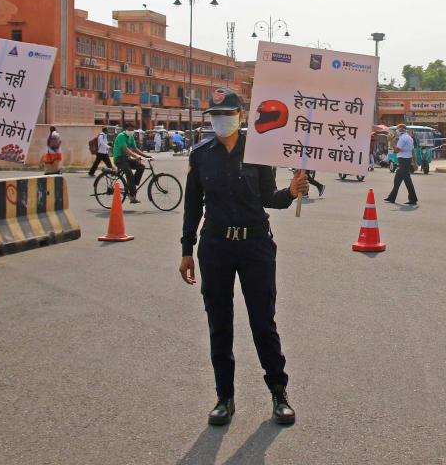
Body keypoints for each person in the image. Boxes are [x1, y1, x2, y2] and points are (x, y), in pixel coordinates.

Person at [178, 87, 308, 427]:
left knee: (263, 322)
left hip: (256, 246)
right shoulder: (201, 155)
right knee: (219, 323)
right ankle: (224, 397)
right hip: (216, 247)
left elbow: (269, 197)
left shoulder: (259, 151)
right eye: (215, 115)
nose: (221, 120)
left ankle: (279, 393)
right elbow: (193, 206)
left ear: (241, 114)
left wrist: (291, 192)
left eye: (227, 114)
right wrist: (186, 249)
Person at [113, 122, 152, 204]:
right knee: (129, 173)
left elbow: (135, 148)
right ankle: (132, 194)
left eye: (132, 130)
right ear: (125, 129)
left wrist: (146, 155)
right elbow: (125, 149)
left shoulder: (131, 137)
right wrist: (135, 157)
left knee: (141, 166)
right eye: (130, 130)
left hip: (126, 158)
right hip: (119, 159)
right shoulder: (121, 136)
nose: (131, 131)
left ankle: (132, 185)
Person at [384, 124, 418, 206]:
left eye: (397, 129)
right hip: (406, 161)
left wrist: (391, 140)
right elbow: (412, 151)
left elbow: (397, 150)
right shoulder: (409, 138)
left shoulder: (402, 138)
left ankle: (413, 199)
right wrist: (415, 162)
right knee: (398, 180)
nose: (396, 131)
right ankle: (392, 197)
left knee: (407, 181)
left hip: (403, 161)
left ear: (401, 130)